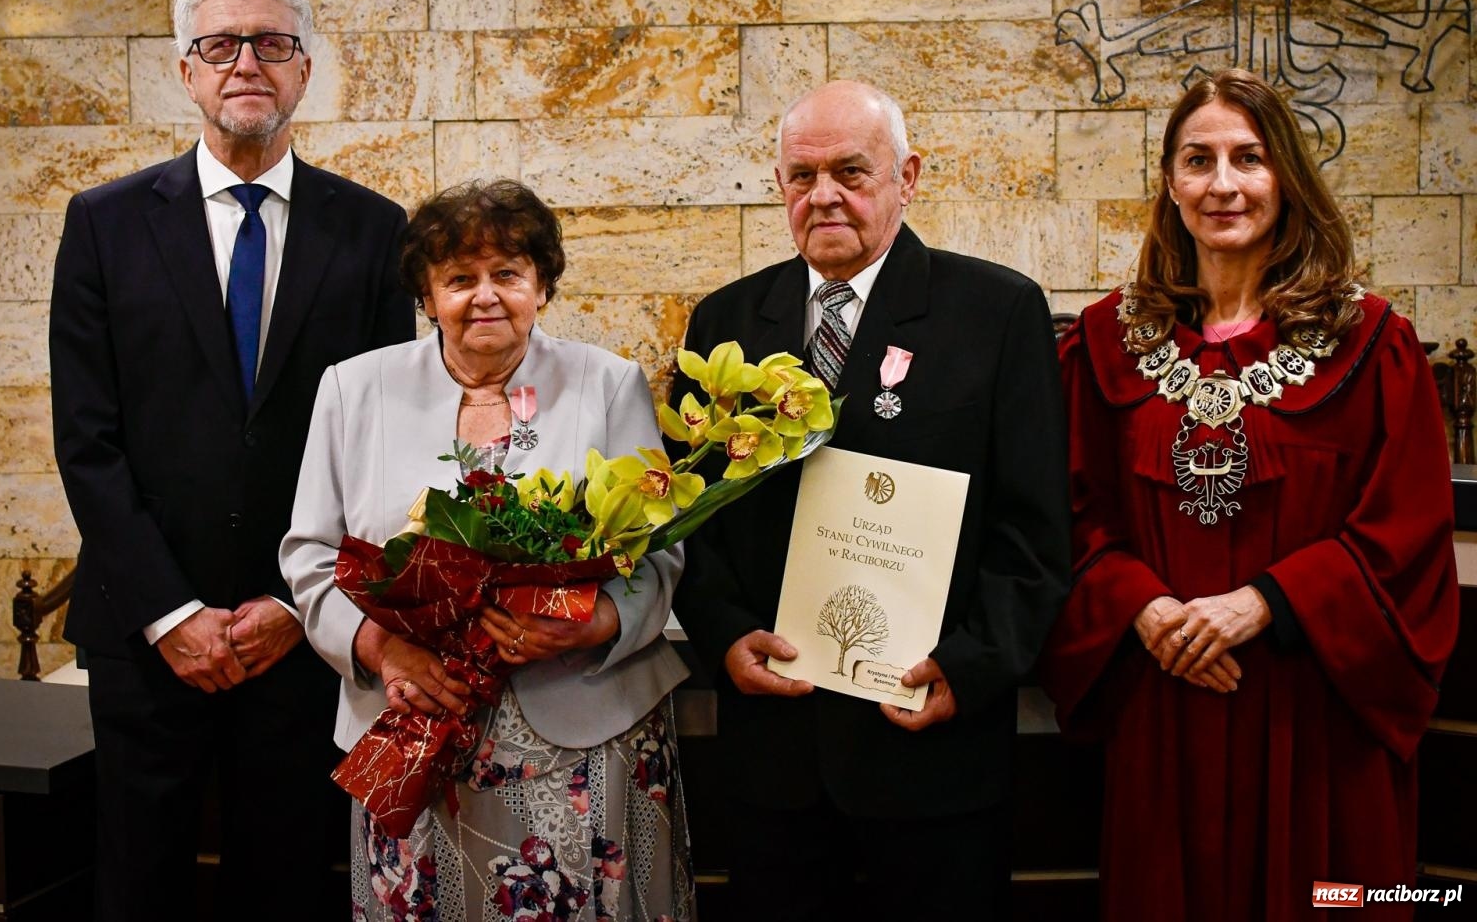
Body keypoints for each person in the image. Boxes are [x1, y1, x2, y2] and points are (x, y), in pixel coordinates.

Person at [1040, 68, 1460, 921]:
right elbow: (1061, 516)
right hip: (1163, 710)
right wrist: (1142, 607)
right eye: (1198, 160)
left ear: (1287, 178)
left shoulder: (1375, 346)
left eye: (1249, 159)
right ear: (1169, 182)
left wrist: (1265, 601)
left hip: (1315, 717)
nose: (1223, 184)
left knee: (1330, 902)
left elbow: (1407, 535)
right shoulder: (1100, 348)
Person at [50, 0, 416, 921]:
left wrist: (297, 606)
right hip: (146, 633)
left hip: (297, 635)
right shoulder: (103, 223)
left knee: (288, 885)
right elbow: (86, 442)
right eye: (221, 44)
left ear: (303, 70)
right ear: (187, 70)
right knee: (138, 886)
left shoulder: (374, 232)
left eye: (272, 43)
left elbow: (384, 447)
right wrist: (172, 613)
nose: (245, 62)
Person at [669, 80, 1070, 919]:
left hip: (934, 750)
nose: (824, 196)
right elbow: (689, 522)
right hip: (775, 754)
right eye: (801, 176)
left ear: (908, 176)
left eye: (851, 171)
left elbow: (1035, 530)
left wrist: (972, 667)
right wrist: (724, 633)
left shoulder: (996, 313)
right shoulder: (726, 324)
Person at [279, 179, 695, 921]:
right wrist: (382, 648)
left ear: (541, 285)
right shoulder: (352, 390)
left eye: (507, 273)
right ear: (426, 295)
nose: (485, 296)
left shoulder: (608, 384)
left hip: (582, 733)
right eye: (458, 279)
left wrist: (594, 622)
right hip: (414, 728)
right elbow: (310, 557)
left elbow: (657, 554)